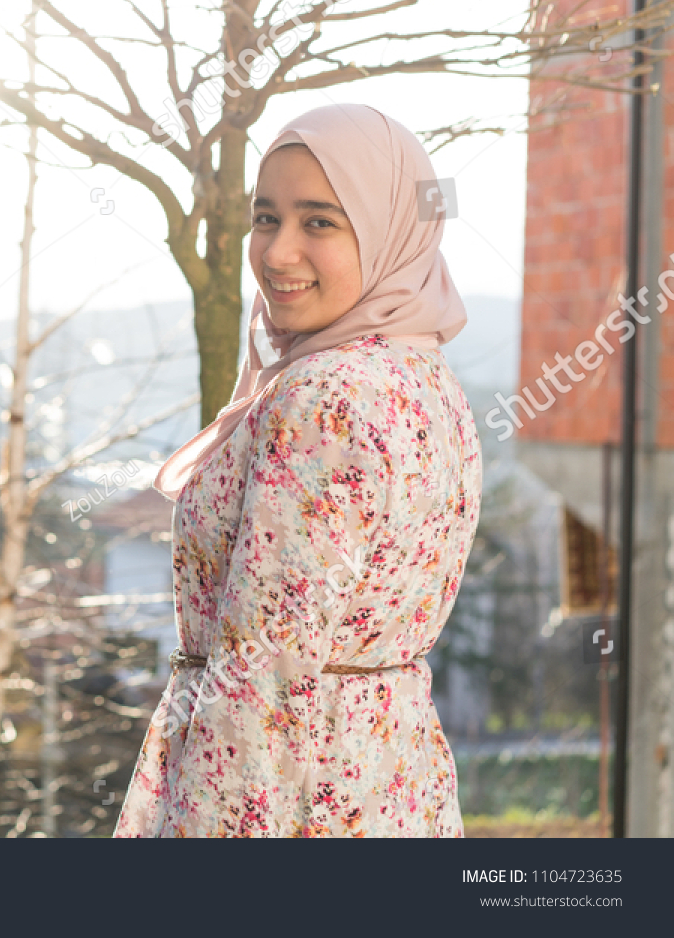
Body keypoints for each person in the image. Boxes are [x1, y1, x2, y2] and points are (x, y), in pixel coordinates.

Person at [114, 103, 482, 837]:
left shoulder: (325, 400)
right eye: (265, 217)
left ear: (386, 232)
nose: (278, 252)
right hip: (388, 784)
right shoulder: (422, 372)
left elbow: (262, 676)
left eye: (319, 221)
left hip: (290, 800)